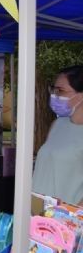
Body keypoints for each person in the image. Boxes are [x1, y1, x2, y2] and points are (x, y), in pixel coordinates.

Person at [33, 65, 83, 204]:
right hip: (37, 212)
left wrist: (71, 217)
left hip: (65, 219)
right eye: (53, 89)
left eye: (60, 91)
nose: (54, 95)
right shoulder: (58, 124)